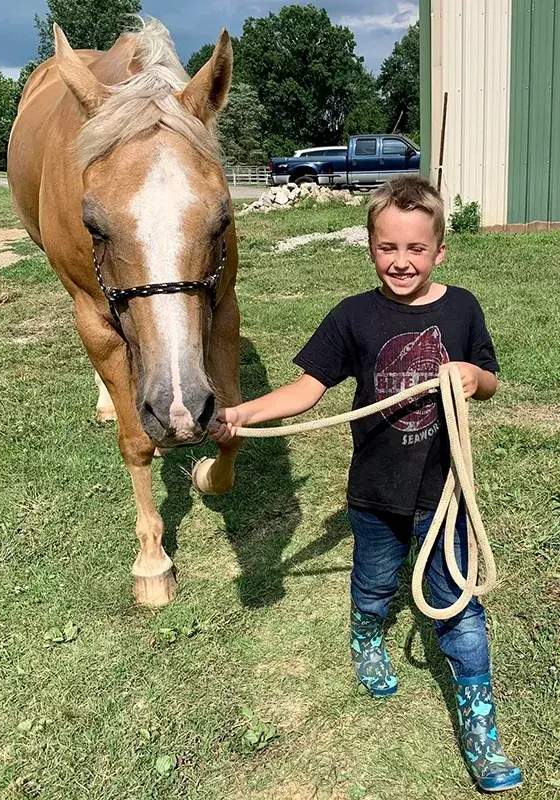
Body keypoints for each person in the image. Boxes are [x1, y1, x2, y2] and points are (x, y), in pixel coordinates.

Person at [209, 175, 523, 792]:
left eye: (415, 249)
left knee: (459, 608)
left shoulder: (461, 309)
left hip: (444, 495)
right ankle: (367, 634)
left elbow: (489, 379)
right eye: (387, 248)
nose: (401, 262)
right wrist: (244, 413)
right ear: (370, 246)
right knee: (376, 577)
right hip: (375, 492)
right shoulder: (353, 317)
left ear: (440, 251)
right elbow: (307, 389)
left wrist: (470, 377)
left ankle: (481, 725)